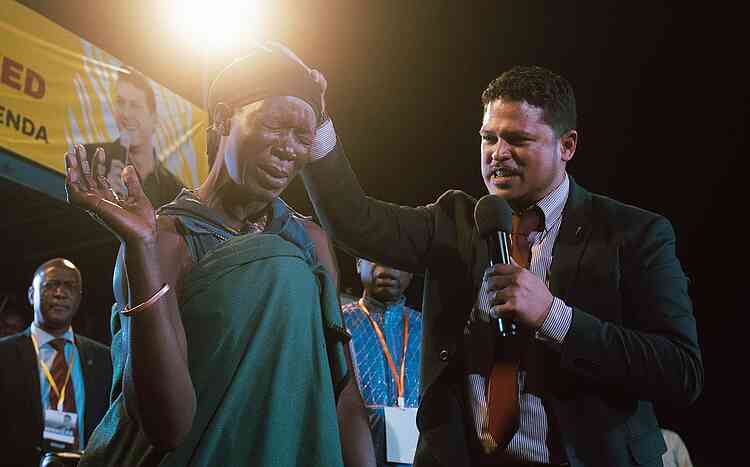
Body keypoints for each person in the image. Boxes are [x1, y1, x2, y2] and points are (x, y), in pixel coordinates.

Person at [299, 62, 703, 466]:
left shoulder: (633, 235)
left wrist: (554, 317)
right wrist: (317, 123)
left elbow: (680, 371)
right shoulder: (455, 223)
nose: (498, 153)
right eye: (488, 138)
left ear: (568, 146)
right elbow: (353, 221)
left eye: (517, 139)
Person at [64, 44, 375, 466]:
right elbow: (167, 426)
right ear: (225, 117)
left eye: (303, 137)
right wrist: (140, 249)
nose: (289, 148)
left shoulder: (310, 243)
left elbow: (342, 391)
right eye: (275, 125)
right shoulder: (165, 241)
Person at [0, 258, 112, 467]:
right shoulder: (4, 355)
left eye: (70, 286)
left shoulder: (104, 358)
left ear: (79, 297)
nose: (60, 293)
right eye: (50, 285)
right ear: (32, 295)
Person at [343, 258, 421, 466]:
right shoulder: (339, 325)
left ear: (412, 271)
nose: (385, 266)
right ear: (358, 263)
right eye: (373, 255)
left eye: (396, 256)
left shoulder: (427, 330)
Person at [84, 66, 184, 208]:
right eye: (120, 102)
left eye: (135, 105)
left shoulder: (176, 192)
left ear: (154, 119)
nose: (125, 113)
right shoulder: (89, 158)